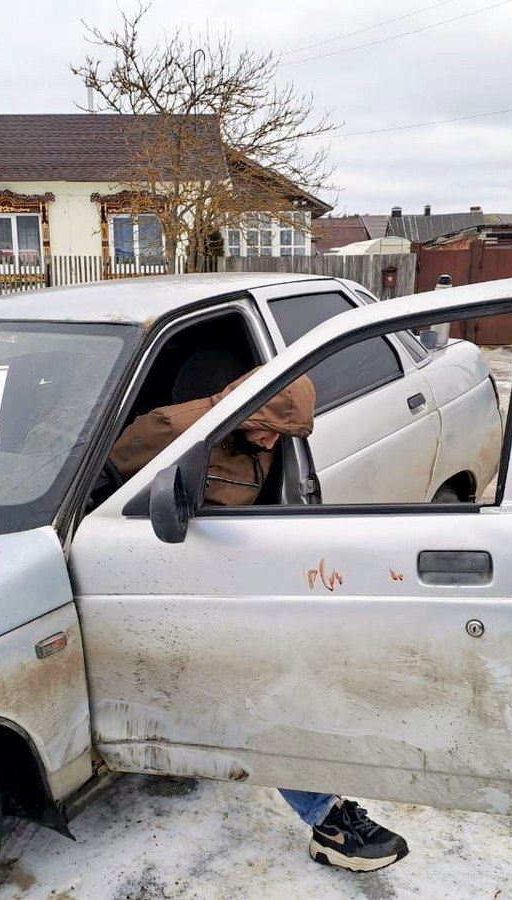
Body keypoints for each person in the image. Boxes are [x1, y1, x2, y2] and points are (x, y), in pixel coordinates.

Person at [109, 370, 410, 872]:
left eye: (282, 436)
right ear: (245, 412)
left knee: (278, 688)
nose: (271, 444)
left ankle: (324, 804)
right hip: (158, 588)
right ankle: (329, 820)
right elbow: (100, 499)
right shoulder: (169, 429)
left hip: (226, 590)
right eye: (266, 430)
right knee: (255, 698)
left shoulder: (270, 443)